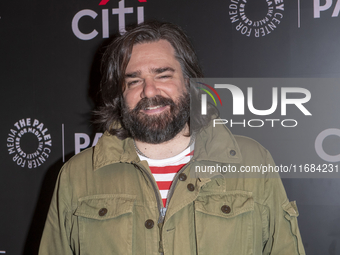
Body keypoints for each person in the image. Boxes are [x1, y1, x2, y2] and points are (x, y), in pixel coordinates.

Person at [39, 21, 305, 255]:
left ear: (189, 82)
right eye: (133, 81)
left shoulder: (252, 161)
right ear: (119, 95)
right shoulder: (78, 175)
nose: (149, 90)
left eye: (163, 75)